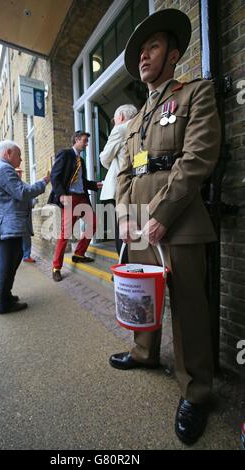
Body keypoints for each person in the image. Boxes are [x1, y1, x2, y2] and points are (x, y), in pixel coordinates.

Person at [109, 9, 221, 446]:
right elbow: (123, 171)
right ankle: (143, 352)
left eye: (152, 47)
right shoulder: (135, 119)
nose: (143, 56)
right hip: (137, 222)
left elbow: (197, 160)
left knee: (189, 308)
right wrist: (123, 215)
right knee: (142, 295)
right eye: (140, 51)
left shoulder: (196, 94)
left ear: (173, 55)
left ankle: (196, 389)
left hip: (180, 220)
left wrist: (158, 213)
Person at [0, 140, 50, 314]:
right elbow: (22, 193)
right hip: (5, 226)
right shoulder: (4, 169)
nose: (21, 159)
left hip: (1, 226)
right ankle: (3, 304)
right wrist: (44, 182)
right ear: (8, 153)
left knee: (14, 258)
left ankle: (6, 296)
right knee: (7, 264)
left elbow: (13, 195)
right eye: (19, 155)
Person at [48, 130, 102, 282]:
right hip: (69, 198)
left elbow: (82, 182)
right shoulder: (65, 154)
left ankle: (79, 254)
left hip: (82, 197)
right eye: (84, 140)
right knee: (66, 233)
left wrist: (95, 185)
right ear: (76, 139)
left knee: (93, 223)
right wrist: (61, 195)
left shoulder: (81, 161)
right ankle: (56, 267)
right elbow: (55, 176)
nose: (86, 144)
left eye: (86, 141)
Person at [99, 104, 137, 258]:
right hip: (138, 184)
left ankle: (123, 268)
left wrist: (110, 159)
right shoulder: (140, 127)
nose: (114, 122)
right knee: (135, 228)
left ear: (120, 117)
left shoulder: (120, 129)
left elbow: (104, 158)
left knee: (122, 229)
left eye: (114, 119)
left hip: (121, 187)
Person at [15, 166, 36, 263]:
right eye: (17, 172)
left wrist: (33, 202)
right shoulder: (10, 185)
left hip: (26, 215)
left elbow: (32, 199)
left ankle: (27, 255)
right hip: (14, 216)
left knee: (26, 236)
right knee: (15, 237)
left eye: (20, 172)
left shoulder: (26, 185)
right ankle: (16, 256)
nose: (19, 174)